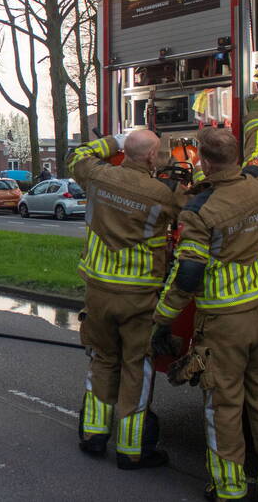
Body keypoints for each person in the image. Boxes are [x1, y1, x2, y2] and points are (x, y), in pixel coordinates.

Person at [151, 94, 258, 502]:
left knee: (224, 406)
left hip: (225, 324)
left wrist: (162, 320)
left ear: (205, 163)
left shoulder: (200, 211)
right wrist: (252, 113)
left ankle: (230, 489)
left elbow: (187, 276)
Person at [67, 128, 186, 469]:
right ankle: (133, 450)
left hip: (99, 291)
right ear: (151, 157)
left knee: (103, 360)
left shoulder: (98, 176)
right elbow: (198, 210)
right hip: (138, 297)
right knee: (137, 366)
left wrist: (115, 142)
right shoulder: (162, 192)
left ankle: (93, 436)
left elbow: (76, 156)